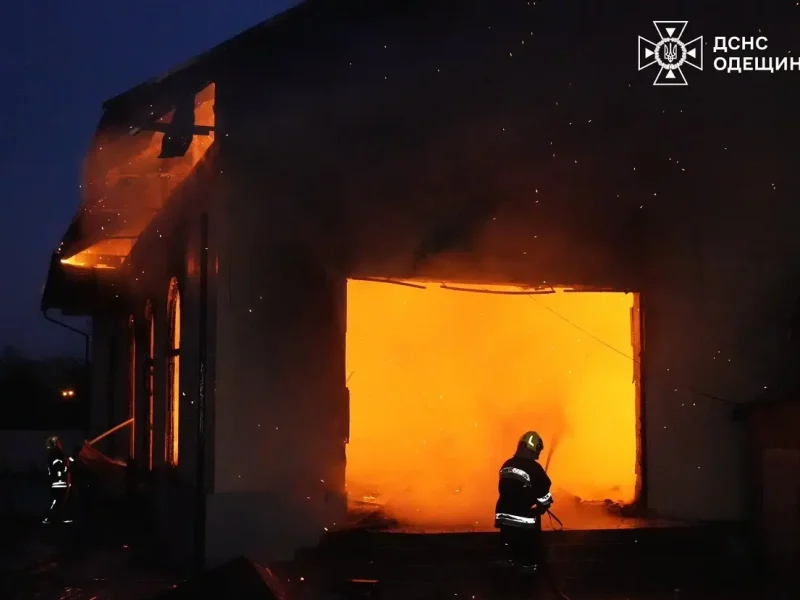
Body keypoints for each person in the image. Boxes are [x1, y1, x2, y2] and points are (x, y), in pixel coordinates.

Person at [495, 430, 553, 571]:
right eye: (535, 452)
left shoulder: (507, 464)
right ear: (529, 449)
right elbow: (544, 491)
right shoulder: (533, 468)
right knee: (527, 561)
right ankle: (528, 584)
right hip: (524, 521)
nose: (536, 456)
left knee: (508, 557)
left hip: (504, 519)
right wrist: (544, 505)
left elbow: (505, 490)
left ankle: (505, 582)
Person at [43, 435, 74, 524]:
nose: (60, 444)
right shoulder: (56, 455)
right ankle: (49, 517)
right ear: (55, 444)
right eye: (58, 442)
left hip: (59, 482)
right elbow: (60, 467)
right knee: (58, 501)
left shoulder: (55, 456)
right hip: (59, 483)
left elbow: (66, 462)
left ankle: (56, 517)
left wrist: (71, 459)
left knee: (60, 500)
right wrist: (67, 468)